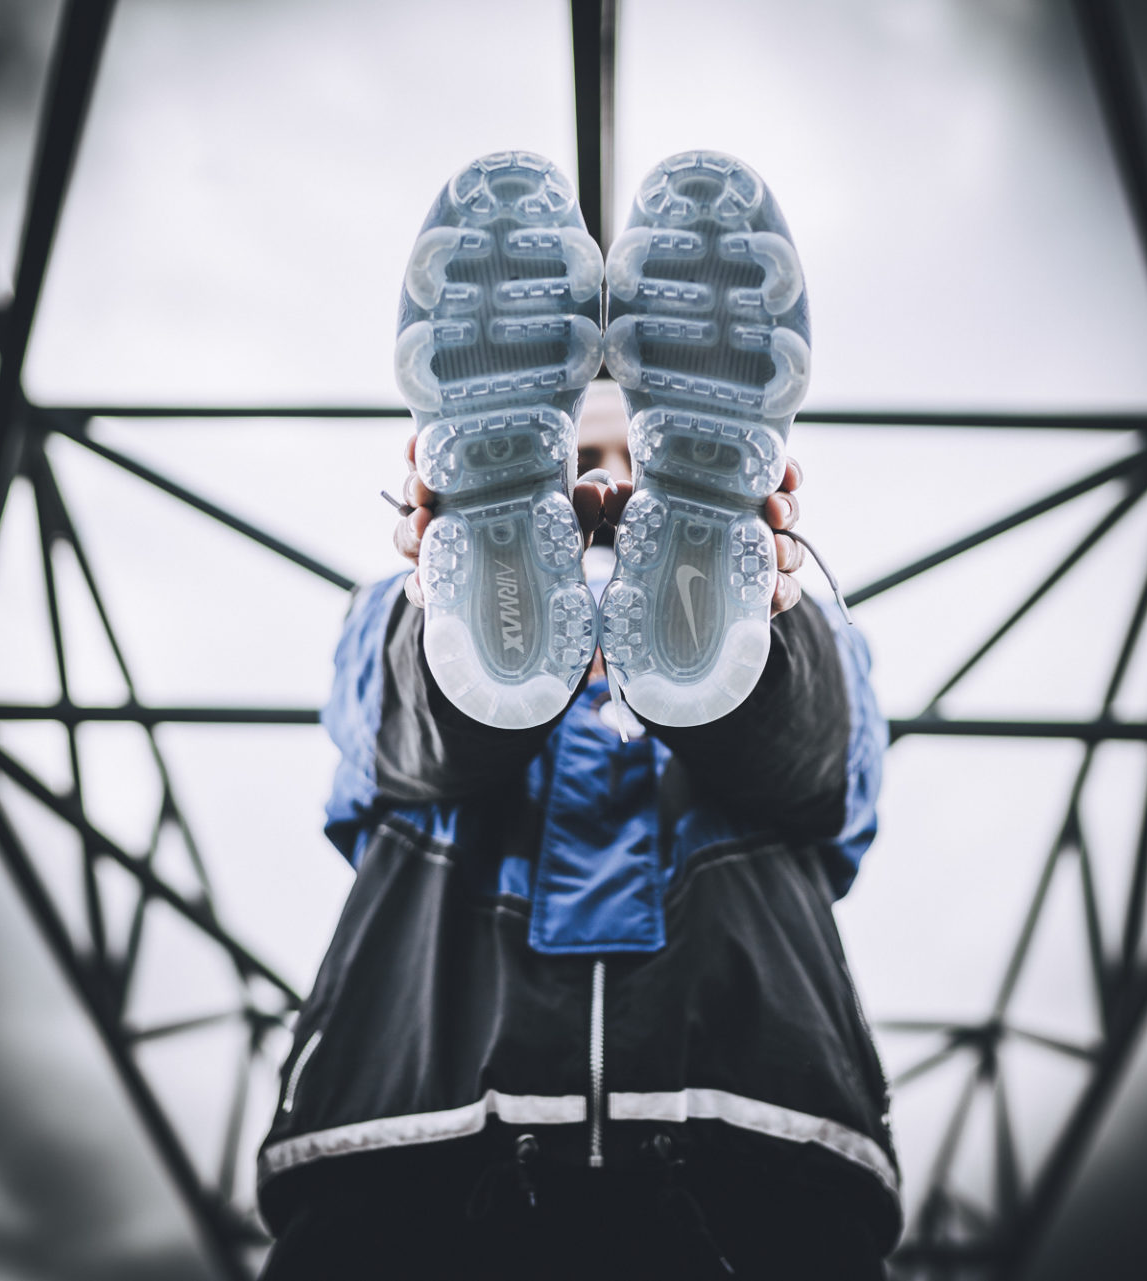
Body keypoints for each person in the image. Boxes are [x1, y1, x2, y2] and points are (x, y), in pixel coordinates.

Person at [255, 151, 896, 1280]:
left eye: (641, 455)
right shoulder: (388, 622)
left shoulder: (814, 640)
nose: (603, 490)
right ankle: (496, 598)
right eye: (572, 456)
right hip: (451, 1138)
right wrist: (446, 581)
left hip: (694, 1142)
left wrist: (762, 589)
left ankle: (710, 609)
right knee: (445, 685)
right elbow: (407, 742)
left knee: (765, 689)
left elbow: (818, 767)